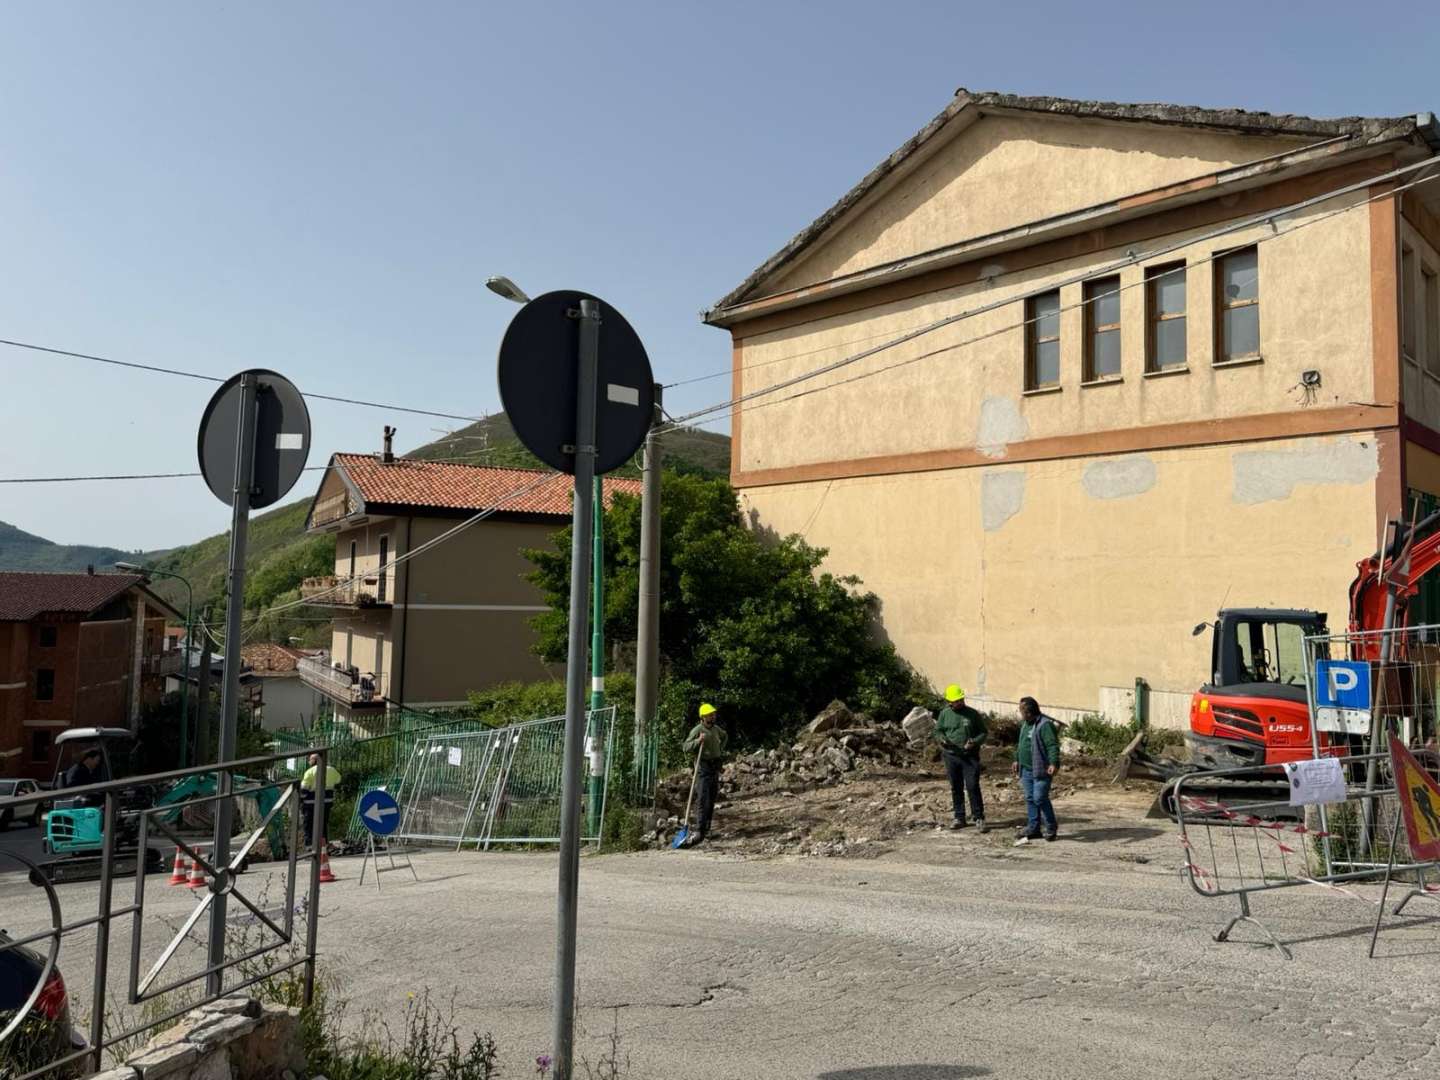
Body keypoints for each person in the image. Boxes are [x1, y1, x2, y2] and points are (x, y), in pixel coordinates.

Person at [934, 684, 987, 832]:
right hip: (951, 756)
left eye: (961, 699)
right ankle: (959, 817)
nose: (959, 702)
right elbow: (937, 730)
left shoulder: (972, 714)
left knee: (972, 786)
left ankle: (978, 817)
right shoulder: (944, 714)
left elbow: (983, 732)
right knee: (956, 787)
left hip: (970, 757)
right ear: (950, 702)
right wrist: (942, 738)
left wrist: (975, 742)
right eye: (956, 701)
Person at [1013, 697, 1059, 843]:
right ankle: (1034, 828)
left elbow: (1052, 745)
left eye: (1021, 710)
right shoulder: (1025, 724)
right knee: (1030, 798)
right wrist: (1016, 759)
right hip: (1025, 769)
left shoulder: (1044, 725)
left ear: (1029, 712)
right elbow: (1020, 744)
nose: (1020, 712)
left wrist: (1054, 763)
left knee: (1040, 797)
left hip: (1040, 769)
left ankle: (1051, 826)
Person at [682, 702, 728, 847]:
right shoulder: (698, 730)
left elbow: (725, 736)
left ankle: (707, 829)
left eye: (713, 714)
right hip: (703, 767)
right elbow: (685, 747)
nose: (713, 716)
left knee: (712, 799)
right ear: (703, 717)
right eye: (710, 714)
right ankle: (699, 830)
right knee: (703, 799)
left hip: (715, 766)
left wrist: (719, 749)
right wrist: (698, 741)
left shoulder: (715, 729)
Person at [300, 753, 343, 847]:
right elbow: (338, 780)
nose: (309, 762)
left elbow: (304, 789)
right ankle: (323, 846)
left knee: (309, 825)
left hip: (311, 803)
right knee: (323, 824)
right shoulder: (332, 770)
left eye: (310, 760)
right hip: (327, 802)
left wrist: (301, 800)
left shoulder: (310, 771)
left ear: (314, 760)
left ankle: (310, 846)